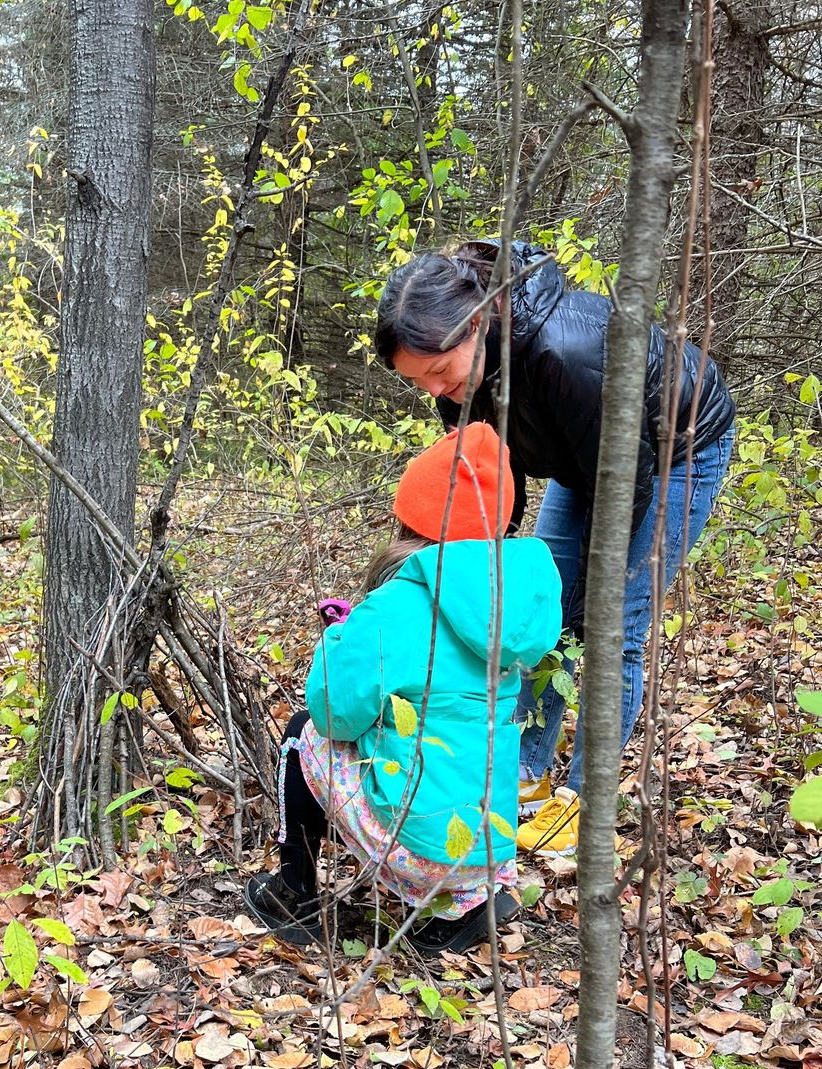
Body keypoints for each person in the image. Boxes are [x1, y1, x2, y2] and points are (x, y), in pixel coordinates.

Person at [374, 240, 736, 856]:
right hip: (584, 457)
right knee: (539, 615)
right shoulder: (462, 379)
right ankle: (520, 775)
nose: (437, 390)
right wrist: (493, 573)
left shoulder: (569, 354)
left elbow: (627, 486)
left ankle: (581, 804)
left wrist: (598, 588)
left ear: (477, 324)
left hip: (673, 450)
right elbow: (489, 471)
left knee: (608, 625)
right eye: (419, 380)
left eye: (439, 371)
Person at [245, 424, 563, 952]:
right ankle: (469, 904)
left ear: (411, 518)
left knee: (302, 735)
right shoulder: (514, 605)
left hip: (421, 846)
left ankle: (293, 891)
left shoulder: (395, 607)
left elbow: (334, 715)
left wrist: (340, 643)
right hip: (488, 842)